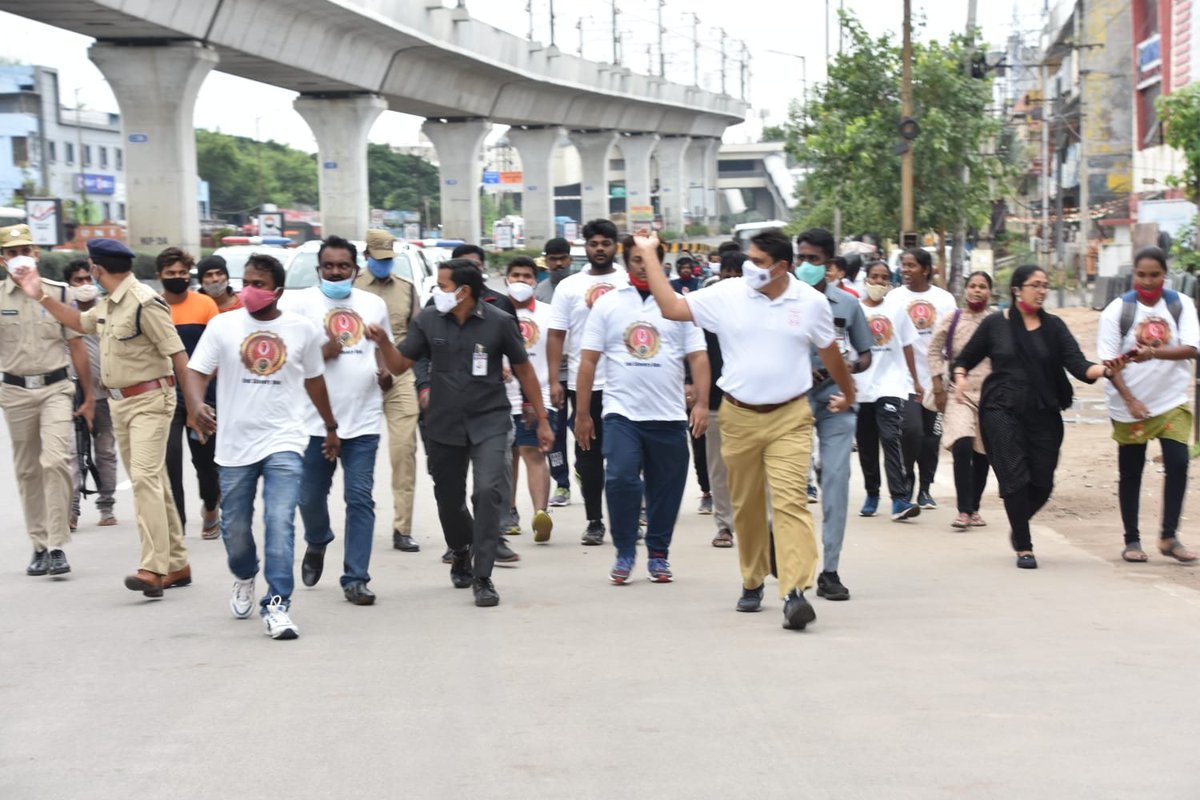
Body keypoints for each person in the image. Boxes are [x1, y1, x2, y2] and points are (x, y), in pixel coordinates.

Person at [644, 227, 856, 631]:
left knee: (791, 501)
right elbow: (671, 307)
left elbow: (831, 353)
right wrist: (648, 252)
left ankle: (795, 592)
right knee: (747, 505)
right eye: (749, 259)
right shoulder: (727, 295)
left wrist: (847, 393)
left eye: (759, 262)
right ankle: (753, 579)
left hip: (790, 417)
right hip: (739, 417)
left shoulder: (810, 303)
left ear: (783, 267)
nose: (749, 267)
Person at [15, 237, 194, 597]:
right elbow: (80, 323)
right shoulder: (111, 303)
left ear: (97, 268)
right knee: (153, 480)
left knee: (144, 480)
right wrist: (41, 296)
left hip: (150, 401)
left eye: (90, 268)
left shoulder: (145, 302)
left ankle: (153, 568)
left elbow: (177, 354)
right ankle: (177, 563)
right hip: (121, 404)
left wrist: (193, 407)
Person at [382, 259, 553, 607]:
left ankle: (484, 575)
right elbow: (400, 364)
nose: (438, 293)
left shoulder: (500, 322)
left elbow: (524, 370)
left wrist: (542, 417)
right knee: (449, 500)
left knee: (488, 491)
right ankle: (461, 548)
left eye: (444, 286)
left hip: (489, 420)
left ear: (465, 291)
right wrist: (382, 342)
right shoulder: (428, 320)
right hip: (443, 424)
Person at [187, 253, 340, 639]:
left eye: (259, 284)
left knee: (279, 520)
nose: (250, 291)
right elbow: (196, 371)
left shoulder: (301, 330)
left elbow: (315, 380)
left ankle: (277, 605)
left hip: (285, 438)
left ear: (278, 291)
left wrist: (331, 425)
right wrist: (195, 404)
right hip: (236, 443)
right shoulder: (223, 325)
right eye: (247, 282)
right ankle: (243, 574)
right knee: (235, 526)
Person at [954, 265, 1118, 569]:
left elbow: (1079, 365)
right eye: (1035, 285)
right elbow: (965, 358)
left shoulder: (1054, 326)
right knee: (1015, 477)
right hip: (1000, 408)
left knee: (1042, 483)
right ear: (1018, 289)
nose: (1042, 290)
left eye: (1045, 285)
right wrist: (961, 377)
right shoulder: (994, 324)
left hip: (1043, 411)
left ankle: (1018, 524)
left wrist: (1107, 369)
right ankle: (1025, 547)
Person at [575, 235, 709, 584]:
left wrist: (704, 404)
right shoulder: (608, 304)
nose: (641, 266)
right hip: (622, 413)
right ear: (627, 261)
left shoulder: (680, 305)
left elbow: (698, 356)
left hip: (668, 415)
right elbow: (588, 360)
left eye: (646, 259)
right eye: (635, 259)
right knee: (620, 477)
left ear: (659, 262)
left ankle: (659, 554)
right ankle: (624, 550)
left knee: (668, 486)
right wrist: (584, 413)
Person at [281, 235, 390, 606]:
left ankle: (356, 578)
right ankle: (318, 538)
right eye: (329, 266)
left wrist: (386, 372)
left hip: (363, 420)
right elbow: (284, 361)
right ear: (319, 270)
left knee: (359, 499)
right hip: (312, 423)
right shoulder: (298, 305)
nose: (336, 272)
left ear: (355, 270)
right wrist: (319, 352)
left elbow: (382, 352)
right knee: (308, 497)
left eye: (343, 266)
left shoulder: (373, 304)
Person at [1, 225, 95, 578]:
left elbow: (76, 346)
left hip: (56, 388)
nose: (20, 256)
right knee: (27, 471)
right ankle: (38, 546)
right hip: (14, 392)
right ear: (2, 259)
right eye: (12, 252)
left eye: (26, 249)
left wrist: (88, 398)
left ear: (37, 253)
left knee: (55, 460)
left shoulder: (57, 293)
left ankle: (57, 545)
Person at [1096, 246, 1199, 563]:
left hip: (1171, 400)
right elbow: (1108, 365)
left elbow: (1192, 348)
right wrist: (1130, 400)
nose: (1148, 281)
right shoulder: (1117, 311)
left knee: (1179, 463)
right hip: (1130, 406)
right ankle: (1132, 540)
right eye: (1142, 274)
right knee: (1131, 471)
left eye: (1155, 275)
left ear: (1164, 275)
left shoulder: (1180, 305)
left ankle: (1169, 537)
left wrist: (1154, 353)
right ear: (1134, 275)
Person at [794, 229, 874, 601]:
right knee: (788, 487)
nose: (805, 266)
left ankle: (830, 569)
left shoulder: (847, 304)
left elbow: (865, 353)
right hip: (790, 401)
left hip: (835, 402)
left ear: (830, 265)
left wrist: (843, 368)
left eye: (813, 259)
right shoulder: (782, 301)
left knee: (837, 481)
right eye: (801, 258)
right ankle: (789, 566)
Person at [546, 218, 628, 546]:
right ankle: (594, 520)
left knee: (625, 459)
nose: (599, 249)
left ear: (614, 246)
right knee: (588, 457)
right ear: (585, 247)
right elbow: (555, 336)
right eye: (593, 244)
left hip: (625, 385)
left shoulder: (628, 281)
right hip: (585, 386)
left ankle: (628, 517)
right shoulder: (569, 287)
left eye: (605, 243)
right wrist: (553, 379)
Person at [355, 228, 422, 553]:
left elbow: (417, 338)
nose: (383, 265)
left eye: (388, 260)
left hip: (400, 377)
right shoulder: (351, 290)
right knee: (350, 452)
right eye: (378, 259)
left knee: (403, 451)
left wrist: (423, 381)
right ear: (366, 257)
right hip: (359, 376)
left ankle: (402, 528)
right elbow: (342, 337)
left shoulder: (408, 290)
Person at [157, 247, 222, 538]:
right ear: (160, 276)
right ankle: (177, 530)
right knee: (170, 464)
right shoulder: (153, 306)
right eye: (171, 274)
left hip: (203, 395)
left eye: (183, 273)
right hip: (167, 396)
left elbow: (216, 353)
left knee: (206, 464)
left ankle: (211, 509)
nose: (178, 278)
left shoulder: (205, 305)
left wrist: (199, 400)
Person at [889, 247, 958, 508]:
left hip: (936, 380)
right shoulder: (894, 298)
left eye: (911, 266)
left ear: (926, 269)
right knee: (910, 430)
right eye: (903, 266)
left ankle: (925, 489)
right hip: (905, 379)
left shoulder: (945, 299)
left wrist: (948, 376)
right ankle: (908, 478)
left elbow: (951, 340)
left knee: (932, 436)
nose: (905, 270)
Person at [854, 260, 921, 521]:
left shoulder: (897, 309)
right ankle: (872, 493)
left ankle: (899, 499)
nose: (879, 282)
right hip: (861, 386)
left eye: (884, 278)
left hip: (890, 385)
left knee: (891, 438)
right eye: (874, 277)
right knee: (867, 443)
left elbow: (907, 346)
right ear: (866, 280)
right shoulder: (855, 311)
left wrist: (914, 380)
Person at [928, 271, 995, 529]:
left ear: (990, 292)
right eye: (973, 286)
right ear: (965, 290)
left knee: (982, 454)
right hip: (959, 394)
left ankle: (975, 507)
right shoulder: (952, 320)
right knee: (963, 446)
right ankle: (963, 511)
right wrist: (937, 386)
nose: (977, 290)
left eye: (983, 287)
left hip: (989, 396)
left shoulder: (996, 322)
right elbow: (933, 350)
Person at [503, 257, 556, 543]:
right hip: (502, 396)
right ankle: (509, 512)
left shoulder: (549, 314)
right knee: (507, 456)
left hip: (539, 397)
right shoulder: (493, 311)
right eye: (515, 275)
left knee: (532, 452)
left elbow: (558, 352)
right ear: (506, 280)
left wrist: (557, 384)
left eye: (527, 276)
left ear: (536, 282)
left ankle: (540, 514)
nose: (521, 281)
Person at [63, 259, 118, 528]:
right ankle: (71, 510)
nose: (84, 285)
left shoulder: (107, 311)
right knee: (71, 453)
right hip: (69, 394)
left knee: (105, 451)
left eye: (88, 279)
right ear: (69, 285)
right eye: (78, 281)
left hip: (104, 394)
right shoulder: (62, 313)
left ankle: (106, 507)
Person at [702, 251, 743, 548]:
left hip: (752, 402)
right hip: (716, 401)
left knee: (752, 467)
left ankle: (757, 522)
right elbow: (695, 353)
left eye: (736, 275)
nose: (730, 279)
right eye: (726, 274)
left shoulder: (758, 308)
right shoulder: (706, 307)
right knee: (718, 466)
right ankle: (724, 525)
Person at [535, 236, 573, 508]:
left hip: (582, 371)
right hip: (552, 375)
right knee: (555, 432)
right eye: (553, 259)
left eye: (562, 259)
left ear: (570, 260)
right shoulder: (539, 292)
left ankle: (585, 467)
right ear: (546, 261)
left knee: (585, 425)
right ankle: (562, 483)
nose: (558, 264)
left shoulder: (580, 288)